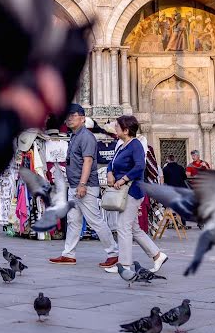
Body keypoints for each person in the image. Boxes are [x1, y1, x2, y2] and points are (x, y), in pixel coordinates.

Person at [49, 104, 118, 267]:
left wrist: (82, 184)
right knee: (73, 221)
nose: (69, 118)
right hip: (74, 185)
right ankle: (68, 254)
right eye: (68, 116)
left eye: (73, 115)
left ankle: (114, 253)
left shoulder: (86, 136)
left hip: (84, 186)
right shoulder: (74, 136)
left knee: (95, 220)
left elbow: (88, 161)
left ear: (82, 118)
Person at [105, 116, 169, 274]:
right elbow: (111, 162)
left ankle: (124, 265)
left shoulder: (136, 145)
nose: (115, 128)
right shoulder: (121, 146)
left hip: (132, 191)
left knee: (123, 227)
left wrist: (123, 179)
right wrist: (109, 173)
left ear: (126, 130)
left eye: (118, 126)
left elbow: (140, 166)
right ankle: (157, 255)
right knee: (134, 228)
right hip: (124, 190)